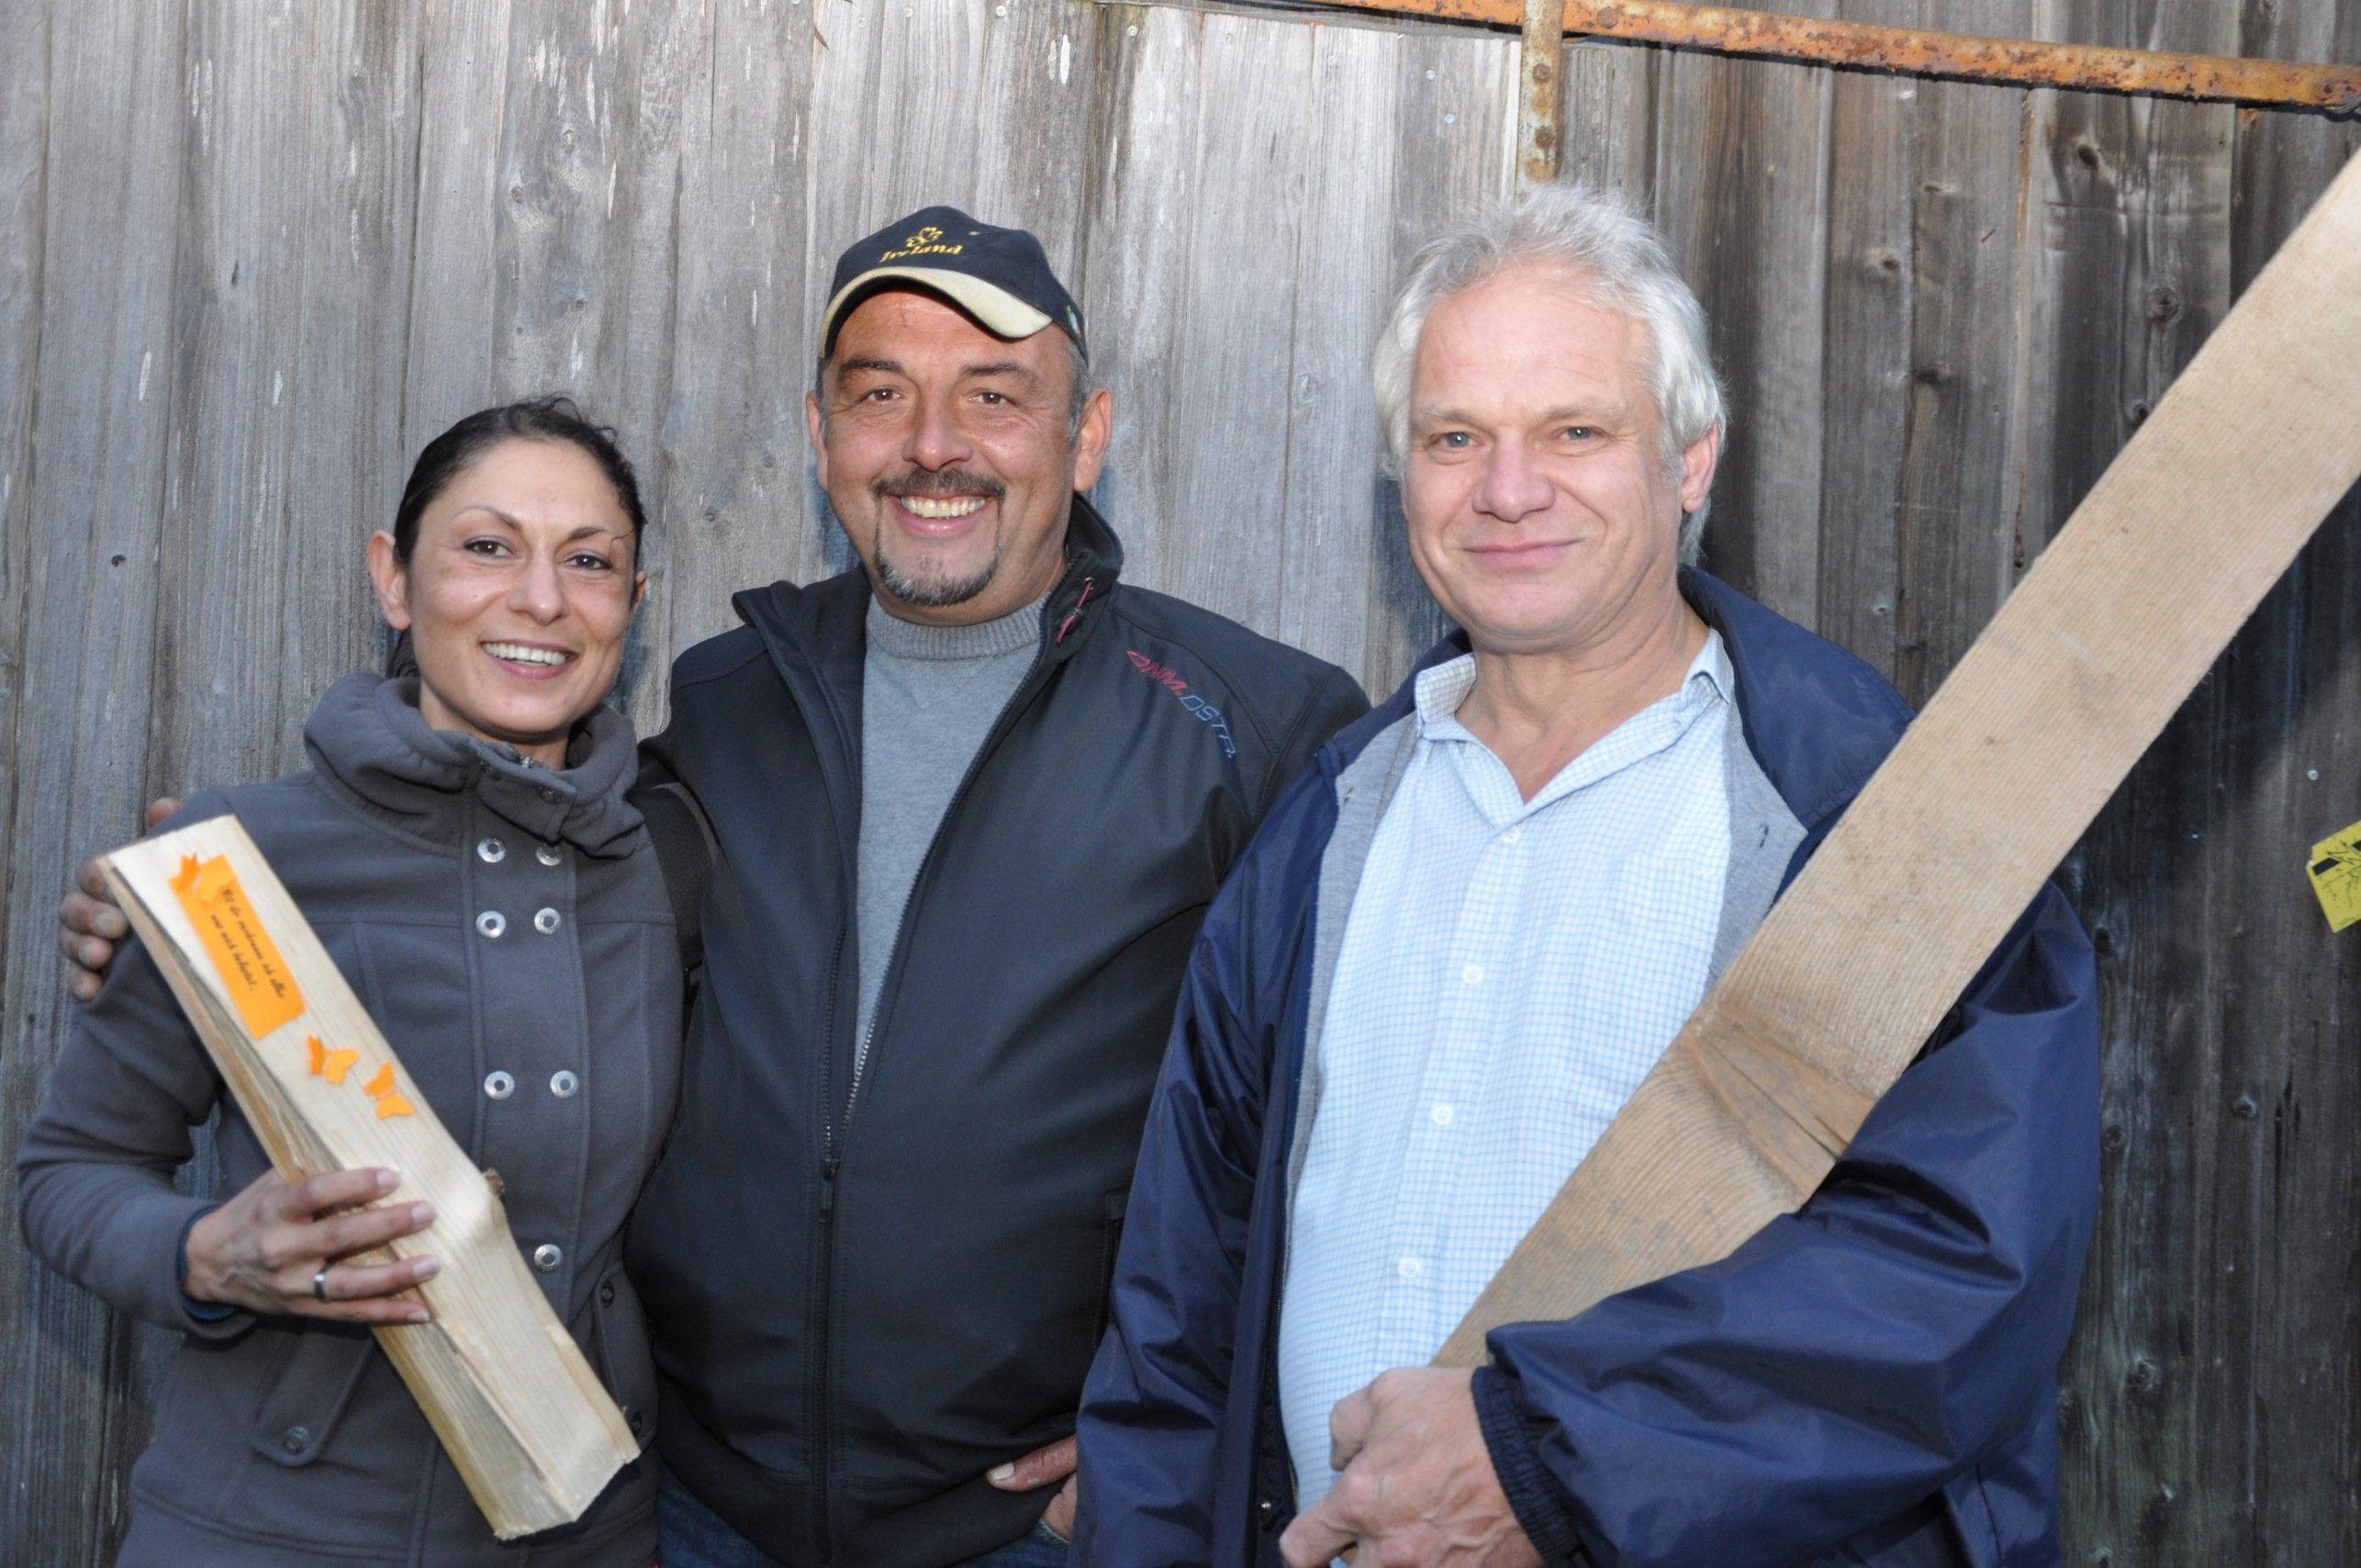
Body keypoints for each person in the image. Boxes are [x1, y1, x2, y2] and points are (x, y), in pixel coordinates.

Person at [62, 209, 1371, 1568]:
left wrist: (1183, 1433)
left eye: (994, 396)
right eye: (881, 395)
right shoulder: (735, 700)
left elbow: (1335, 1134)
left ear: (1085, 434)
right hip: (696, 1511)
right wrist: (187, 894)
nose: (934, 444)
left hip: (1018, 1526)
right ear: (820, 435)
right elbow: (477, 865)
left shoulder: (1255, 727)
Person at [1073, 185, 2100, 1567]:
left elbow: (1962, 1268)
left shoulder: (1869, 815)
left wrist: (1542, 1461)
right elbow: (1181, 1313)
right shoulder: (1326, 823)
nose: (1508, 490)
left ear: (1690, 461)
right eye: (1454, 437)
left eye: (1575, 431)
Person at [19, 398, 680, 1566]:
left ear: (631, 603)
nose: (541, 598)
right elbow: (67, 1173)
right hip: (278, 1529)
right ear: (393, 577)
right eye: (488, 546)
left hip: (593, 1529)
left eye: (588, 561)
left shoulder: (667, 862)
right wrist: (205, 1255)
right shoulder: (236, 861)